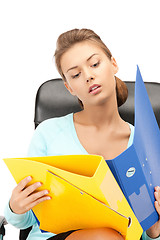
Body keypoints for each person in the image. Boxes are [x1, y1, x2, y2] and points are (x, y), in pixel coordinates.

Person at [4, 28, 160, 240]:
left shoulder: (145, 145)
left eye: (95, 64)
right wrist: (16, 207)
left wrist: (153, 232)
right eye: (76, 74)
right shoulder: (48, 134)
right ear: (69, 87)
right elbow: (28, 219)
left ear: (113, 64)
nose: (88, 76)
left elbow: (145, 233)